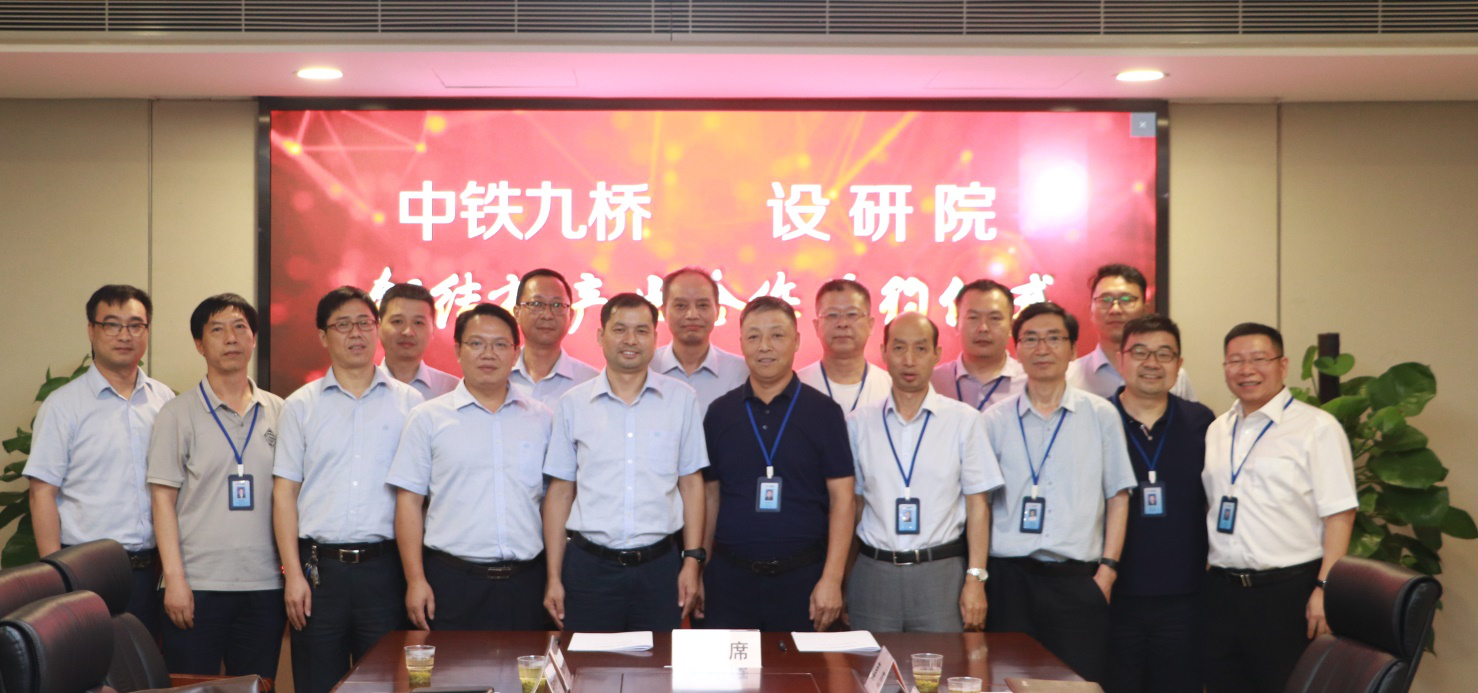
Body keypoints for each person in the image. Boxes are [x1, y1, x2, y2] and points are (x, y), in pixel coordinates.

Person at [272, 287, 424, 693]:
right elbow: (284, 494)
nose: (355, 333)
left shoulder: (411, 403)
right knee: (317, 682)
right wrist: (292, 575)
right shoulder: (300, 405)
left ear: (377, 330)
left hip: (386, 569)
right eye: (342, 325)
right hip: (319, 573)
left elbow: (420, 497)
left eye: (364, 323)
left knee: (388, 683)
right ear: (323, 336)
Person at [983, 301, 1136, 684]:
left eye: (1054, 338)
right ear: (1017, 349)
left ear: (1072, 349)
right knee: (1007, 682)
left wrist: (1107, 572)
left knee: (1075, 685)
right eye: (1031, 339)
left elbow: (1118, 497)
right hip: (1010, 581)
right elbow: (980, 503)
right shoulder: (994, 421)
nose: (1042, 348)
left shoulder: (1100, 415)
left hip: (1077, 582)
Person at [1202, 323, 1357, 693]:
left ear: (1283, 365)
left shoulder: (1317, 428)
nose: (1246, 370)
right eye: (1235, 361)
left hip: (1287, 594)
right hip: (1222, 591)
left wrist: (1323, 587)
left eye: (1259, 359)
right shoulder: (1217, 429)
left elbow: (1340, 514)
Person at [542, 293, 709, 631]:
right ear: (601, 336)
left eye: (641, 331)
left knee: (659, 662)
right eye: (620, 329)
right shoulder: (573, 404)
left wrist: (692, 561)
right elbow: (560, 493)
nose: (631, 340)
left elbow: (691, 484)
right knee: (587, 662)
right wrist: (554, 576)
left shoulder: (681, 400)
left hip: (660, 568)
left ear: (655, 338)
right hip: (589, 568)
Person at [388, 303, 554, 631]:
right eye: (476, 343)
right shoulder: (428, 418)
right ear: (458, 351)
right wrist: (415, 580)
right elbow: (408, 503)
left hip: (527, 582)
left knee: (525, 666)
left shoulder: (543, 419)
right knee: (451, 666)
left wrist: (554, 578)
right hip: (452, 582)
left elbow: (554, 502)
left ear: (515, 353)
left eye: (500, 344)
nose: (488, 354)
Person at [147, 293, 286, 679]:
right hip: (197, 584)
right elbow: (162, 501)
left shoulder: (280, 412)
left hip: (264, 584)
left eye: (240, 327)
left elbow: (290, 499)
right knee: (191, 686)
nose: (231, 338)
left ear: (254, 338)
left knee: (257, 686)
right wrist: (175, 580)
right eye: (218, 330)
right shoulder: (177, 414)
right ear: (199, 344)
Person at [24, 284, 174, 637]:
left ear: (147, 331)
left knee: (147, 666)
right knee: (93, 666)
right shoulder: (63, 406)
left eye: (135, 325)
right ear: (91, 330)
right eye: (112, 325)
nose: (124, 335)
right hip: (86, 571)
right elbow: (41, 493)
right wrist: (57, 578)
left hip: (152, 569)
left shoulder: (164, 401)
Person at [699, 297, 855, 632]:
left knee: (801, 667)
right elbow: (709, 497)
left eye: (777, 335)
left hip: (804, 580)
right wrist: (700, 568)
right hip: (729, 582)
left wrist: (832, 578)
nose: (765, 347)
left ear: (796, 341)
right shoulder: (720, 413)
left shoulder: (824, 413)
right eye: (754, 336)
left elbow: (843, 499)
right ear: (742, 343)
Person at [847, 312, 1002, 633]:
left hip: (941, 573)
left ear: (936, 354)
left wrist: (976, 578)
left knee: (943, 665)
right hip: (874, 572)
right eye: (899, 348)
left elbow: (978, 507)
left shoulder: (964, 421)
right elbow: (854, 505)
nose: (909, 360)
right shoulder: (859, 423)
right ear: (883, 352)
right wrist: (844, 576)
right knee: (870, 665)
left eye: (920, 349)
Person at [1102, 315, 1216, 693]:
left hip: (1185, 596)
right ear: (1121, 359)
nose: (1152, 363)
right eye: (1140, 352)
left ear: (1179, 364)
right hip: (1113, 594)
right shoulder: (1099, 419)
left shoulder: (1201, 421)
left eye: (1164, 354)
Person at [1067, 265, 1196, 401]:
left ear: (1145, 310)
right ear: (1091, 311)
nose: (1115, 310)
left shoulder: (1173, 376)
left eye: (1126, 300)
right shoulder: (1068, 376)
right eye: (1105, 300)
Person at [652, 267, 748, 412]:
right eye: (681, 306)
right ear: (664, 312)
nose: (692, 315)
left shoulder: (741, 372)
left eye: (702, 305)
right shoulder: (646, 369)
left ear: (717, 311)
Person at [508, 268, 598, 407]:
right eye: (536, 304)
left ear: (570, 315)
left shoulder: (591, 382)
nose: (547, 315)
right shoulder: (495, 376)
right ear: (517, 313)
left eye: (557, 305)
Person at [797, 279, 890, 412]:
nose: (842, 323)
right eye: (832, 315)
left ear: (870, 325)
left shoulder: (892, 389)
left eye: (852, 314)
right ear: (816, 326)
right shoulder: (796, 386)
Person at [932, 279, 1025, 412]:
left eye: (994, 318)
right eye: (973, 317)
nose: (983, 328)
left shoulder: (1030, 383)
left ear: (1011, 326)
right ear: (957, 323)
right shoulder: (932, 382)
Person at [378, 282, 459, 399]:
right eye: (397, 321)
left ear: (433, 330)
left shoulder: (452, 389)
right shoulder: (359, 386)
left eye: (418, 323)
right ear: (378, 327)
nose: (408, 332)